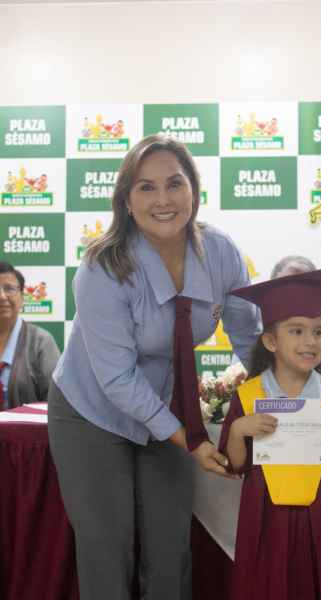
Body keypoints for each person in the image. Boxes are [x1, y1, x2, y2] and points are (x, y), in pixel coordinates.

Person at [47, 134, 261, 600]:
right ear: (126, 200)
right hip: (91, 412)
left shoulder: (221, 252)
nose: (163, 199)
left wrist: (285, 399)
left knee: (170, 548)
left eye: (174, 183)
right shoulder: (102, 266)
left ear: (194, 190)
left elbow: (248, 334)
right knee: (107, 550)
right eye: (146, 187)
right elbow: (117, 379)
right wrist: (192, 440)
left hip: (168, 402)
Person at [219, 269, 321, 600]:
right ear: (271, 341)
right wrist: (238, 431)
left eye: (318, 331)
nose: (310, 341)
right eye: (297, 331)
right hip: (266, 514)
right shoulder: (248, 395)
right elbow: (235, 464)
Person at [0, 261, 60, 409]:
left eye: (9, 289)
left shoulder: (41, 342)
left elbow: (56, 402)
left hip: (26, 424)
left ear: (22, 297)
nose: (2, 296)